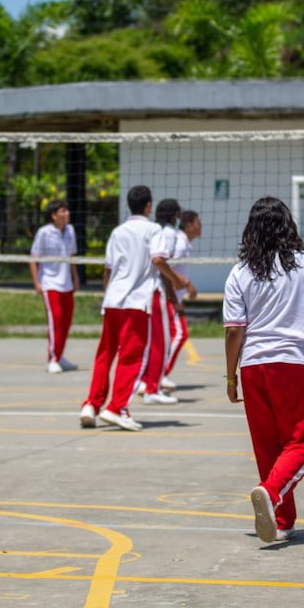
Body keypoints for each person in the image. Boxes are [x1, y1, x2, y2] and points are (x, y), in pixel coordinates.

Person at [224, 196, 304, 544]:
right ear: (289, 224)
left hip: (254, 366)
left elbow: (233, 331)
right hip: (296, 363)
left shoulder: (240, 270)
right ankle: (271, 495)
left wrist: (231, 376)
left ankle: (283, 521)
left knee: (270, 448)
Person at [80, 185, 194, 432]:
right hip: (136, 301)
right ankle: (116, 408)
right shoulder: (154, 230)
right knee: (132, 357)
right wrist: (178, 280)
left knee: (105, 354)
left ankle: (91, 405)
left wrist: (107, 296)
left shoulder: (118, 231)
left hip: (112, 300)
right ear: (148, 206)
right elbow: (157, 259)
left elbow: (107, 270)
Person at [138, 198, 193, 404]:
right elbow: (163, 266)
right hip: (160, 293)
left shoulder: (158, 230)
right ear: (173, 216)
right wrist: (175, 292)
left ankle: (151, 381)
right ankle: (153, 381)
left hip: (155, 292)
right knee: (168, 338)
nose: (181, 217)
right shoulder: (168, 234)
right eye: (179, 214)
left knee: (157, 340)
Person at [30, 198, 80, 374]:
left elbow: (72, 257)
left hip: (66, 284)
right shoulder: (44, 232)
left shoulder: (71, 231)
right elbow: (33, 259)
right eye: (63, 211)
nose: (67, 214)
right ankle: (52, 359)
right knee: (55, 321)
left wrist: (75, 277)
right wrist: (37, 282)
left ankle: (59, 355)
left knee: (66, 322)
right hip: (50, 283)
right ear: (53, 215)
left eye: (67, 210)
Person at [162, 209, 202, 389]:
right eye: (197, 223)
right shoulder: (179, 244)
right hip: (170, 298)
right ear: (188, 225)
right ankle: (159, 375)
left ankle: (156, 376)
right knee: (180, 334)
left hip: (174, 297)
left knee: (172, 336)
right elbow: (167, 271)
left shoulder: (184, 243)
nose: (200, 227)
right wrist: (184, 287)